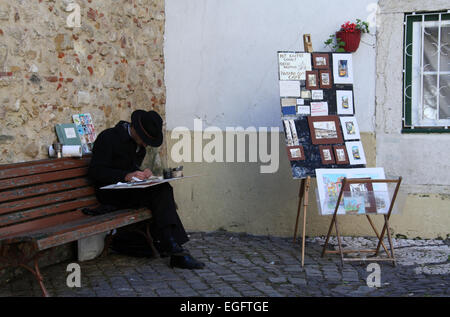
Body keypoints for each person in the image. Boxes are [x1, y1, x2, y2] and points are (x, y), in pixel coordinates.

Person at [88, 109, 205, 270]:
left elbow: (130, 167)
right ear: (135, 128)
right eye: (144, 140)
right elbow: (96, 171)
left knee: (162, 187)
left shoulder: (138, 146)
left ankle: (173, 247)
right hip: (109, 194)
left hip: (127, 190)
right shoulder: (108, 138)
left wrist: (142, 173)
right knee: (160, 193)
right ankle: (173, 248)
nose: (145, 144)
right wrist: (126, 176)